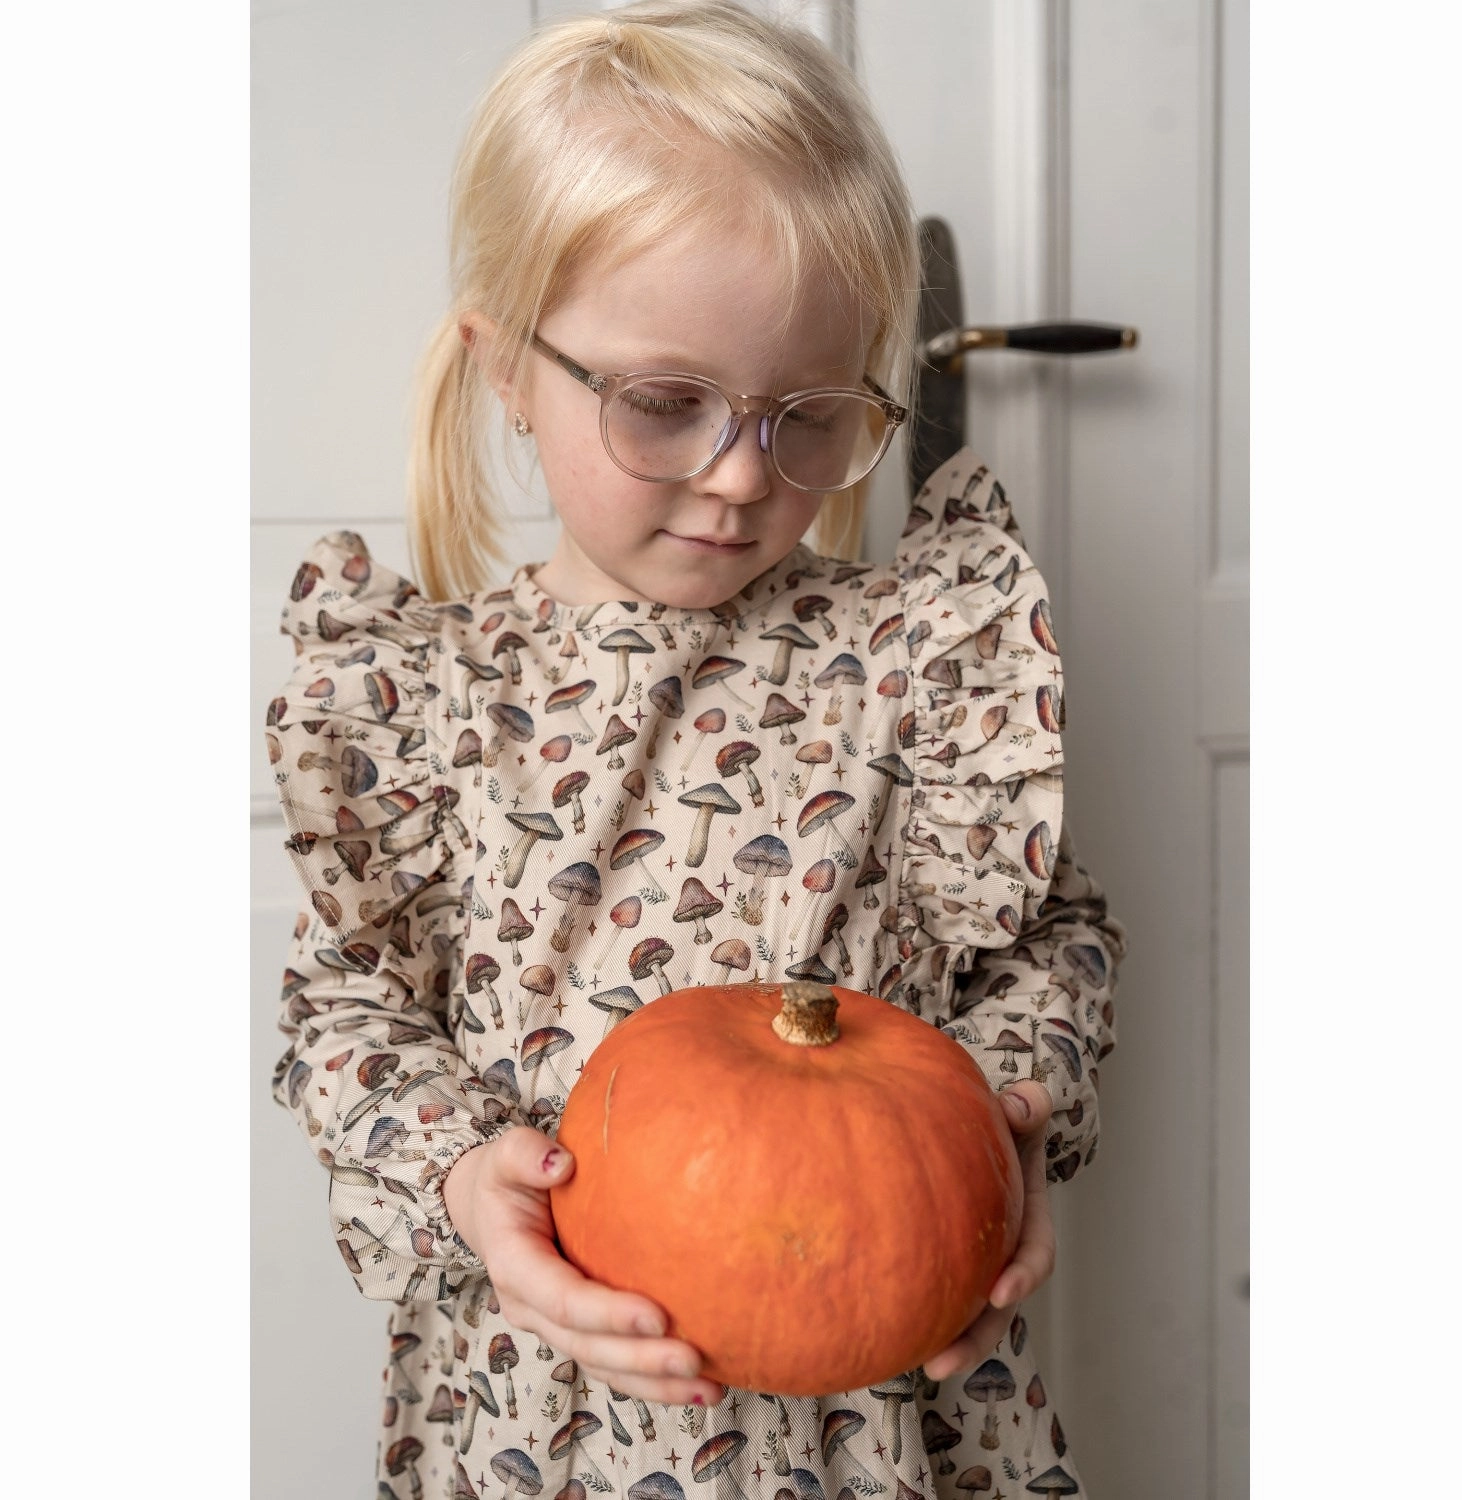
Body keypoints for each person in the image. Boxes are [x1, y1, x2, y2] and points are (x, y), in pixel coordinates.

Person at [265, 3, 1127, 1496]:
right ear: (506, 369)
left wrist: (1002, 1125)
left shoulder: (913, 664)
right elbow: (339, 1008)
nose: (742, 476)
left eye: (807, 414)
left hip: (880, 1422)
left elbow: (1057, 939)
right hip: (552, 1411)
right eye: (667, 404)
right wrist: (469, 1180)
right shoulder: (437, 698)